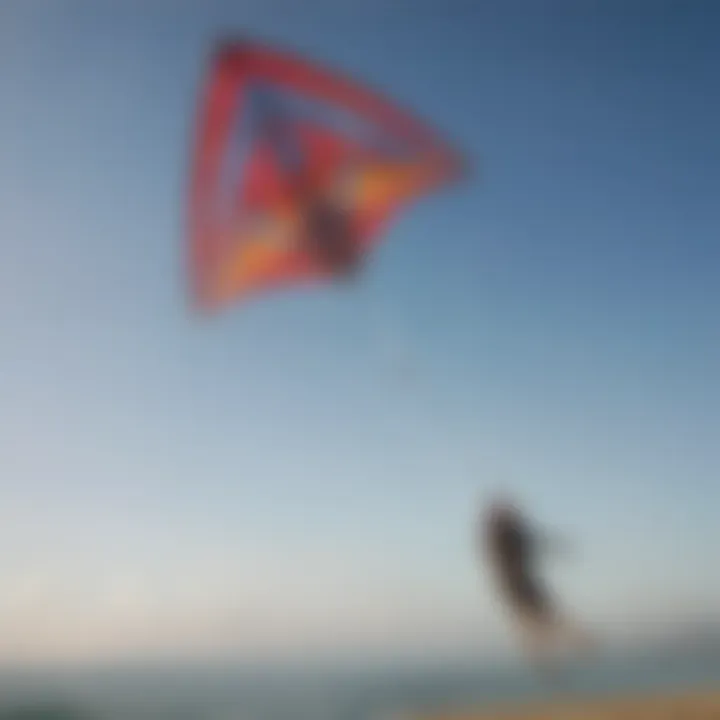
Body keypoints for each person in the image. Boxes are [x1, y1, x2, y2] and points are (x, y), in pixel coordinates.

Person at [480, 495, 593, 673]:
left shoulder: (504, 536)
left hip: (517, 585)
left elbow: (533, 543)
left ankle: (559, 654)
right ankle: (566, 649)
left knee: (539, 620)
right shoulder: (507, 536)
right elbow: (534, 543)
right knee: (540, 620)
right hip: (519, 584)